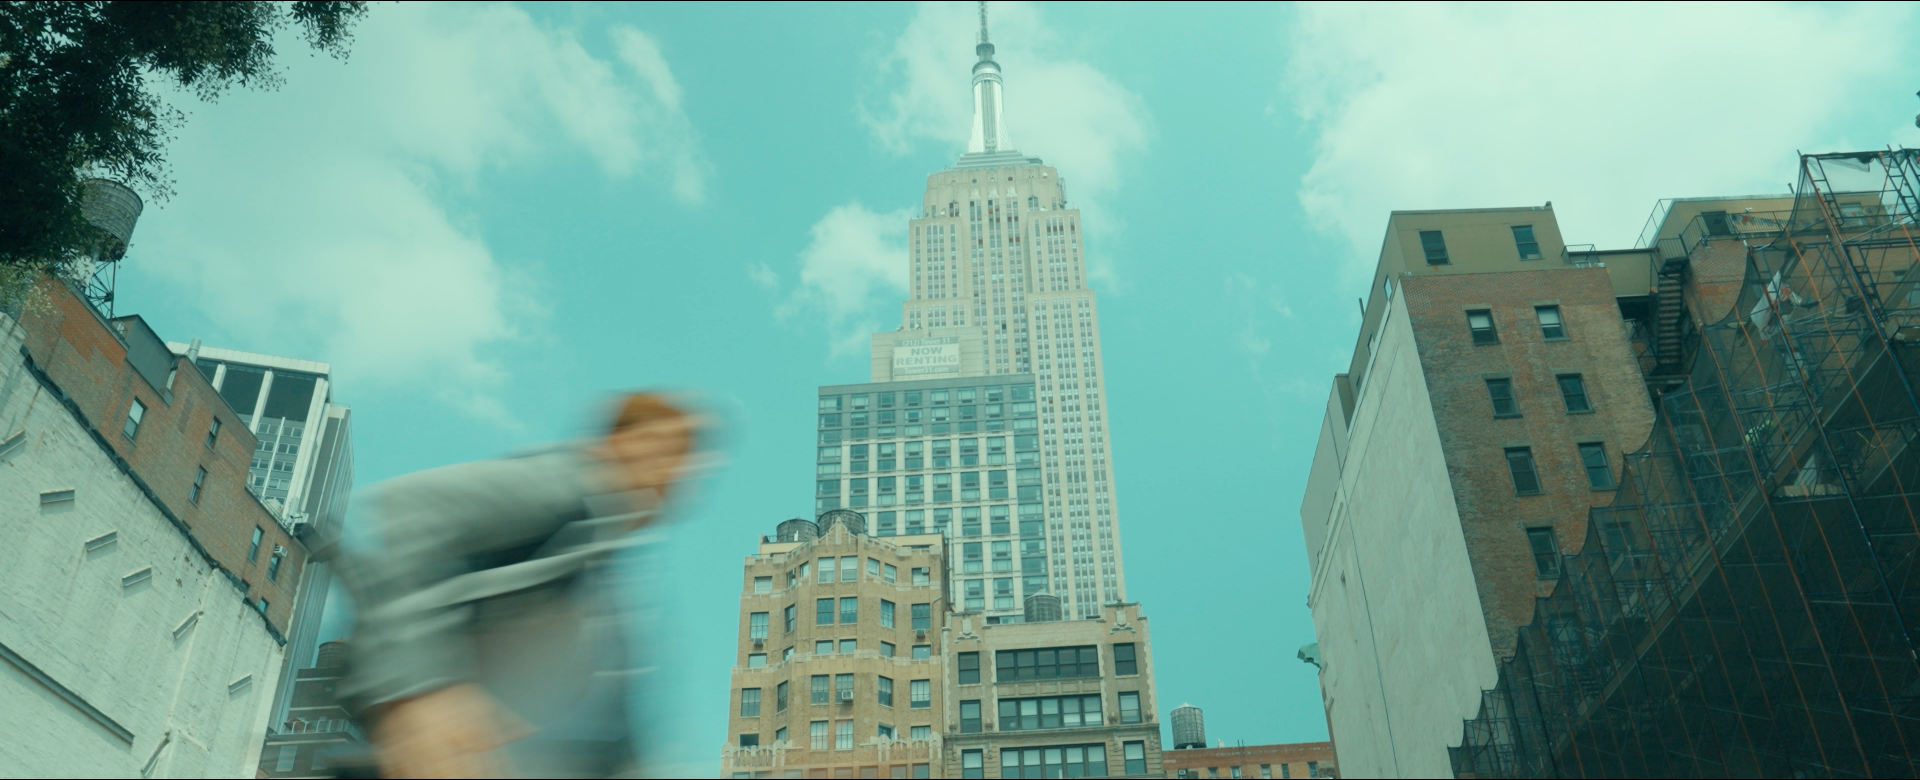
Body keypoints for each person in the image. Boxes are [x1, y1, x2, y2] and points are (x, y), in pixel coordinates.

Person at [327, 393, 701, 778]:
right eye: (661, 447)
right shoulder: (558, 488)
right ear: (615, 441)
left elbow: (615, 744)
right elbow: (401, 518)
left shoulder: (610, 591)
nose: (671, 472)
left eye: (684, 459)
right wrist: (418, 692)